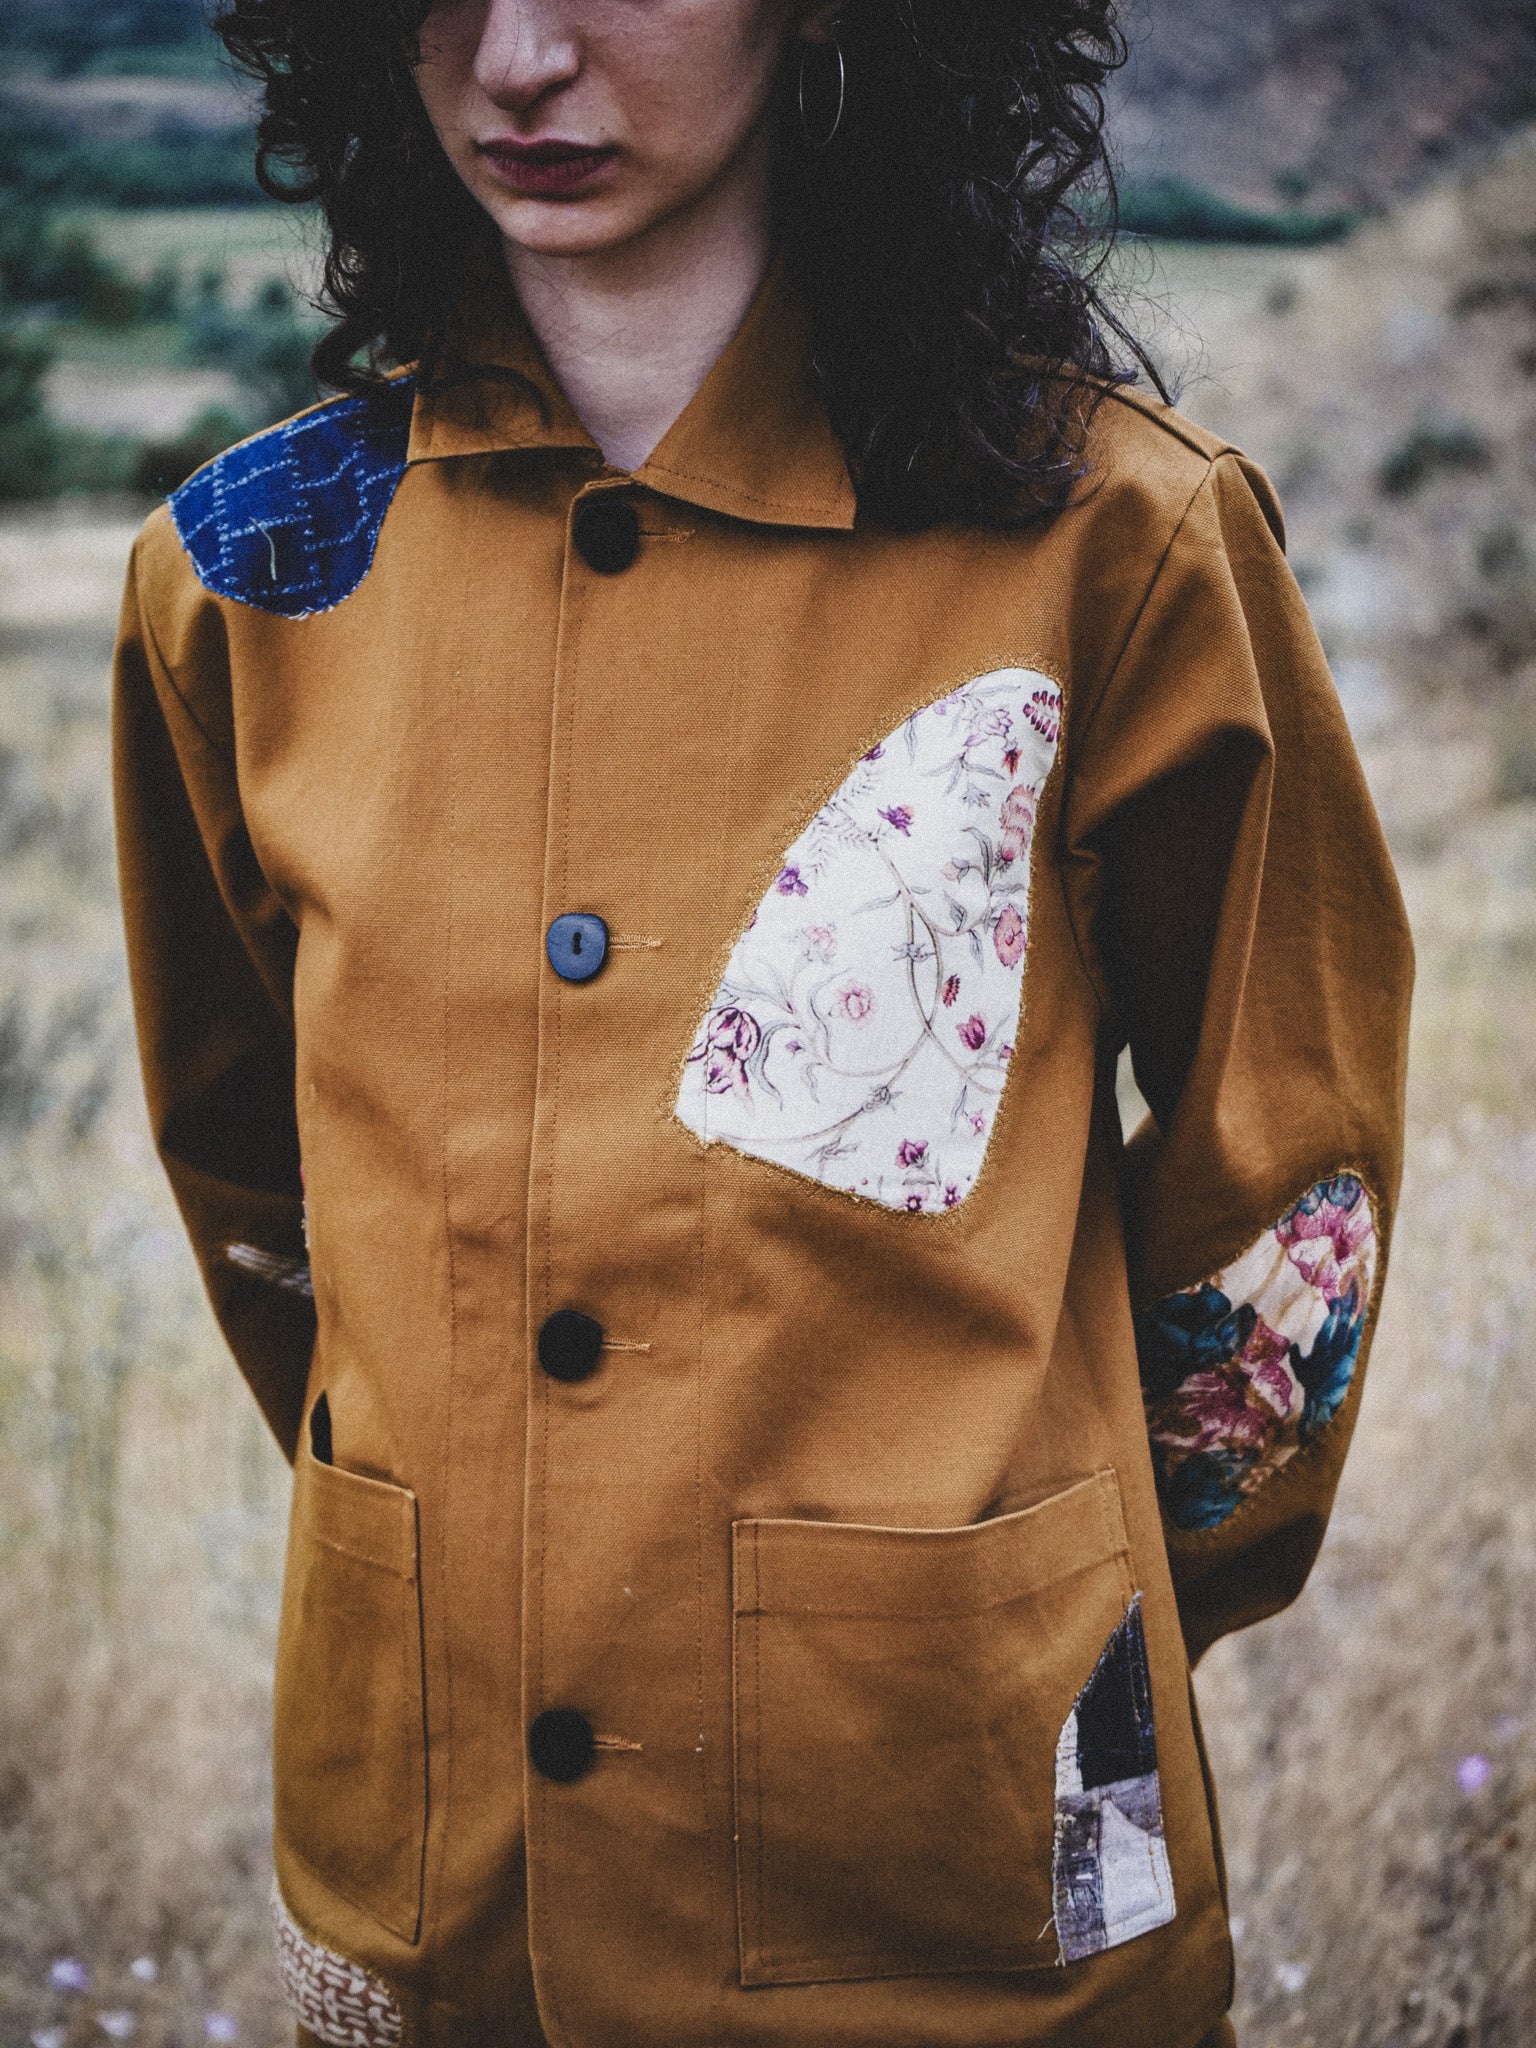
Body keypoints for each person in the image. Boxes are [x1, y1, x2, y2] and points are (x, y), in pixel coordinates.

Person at [111, 3, 1413, 2045]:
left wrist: (1023, 1612)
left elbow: (1288, 1207)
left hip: (958, 1869)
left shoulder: (1119, 544)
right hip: (433, 1884)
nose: (516, 55)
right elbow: (257, 1191)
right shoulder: (245, 586)